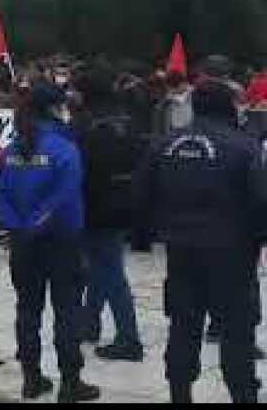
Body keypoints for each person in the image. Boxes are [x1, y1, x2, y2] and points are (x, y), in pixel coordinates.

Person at [134, 80, 267, 404]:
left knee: (183, 325)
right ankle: (242, 393)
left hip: (181, 250)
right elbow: (261, 200)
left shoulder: (165, 143)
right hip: (233, 253)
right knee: (236, 330)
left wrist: (147, 235)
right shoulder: (245, 146)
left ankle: (180, 393)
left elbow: (140, 193)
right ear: (227, 106)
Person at [0, 81, 99, 403]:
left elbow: (1, 195)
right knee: (67, 310)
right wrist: (38, 222)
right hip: (61, 240)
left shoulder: (10, 150)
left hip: (23, 243)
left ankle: (31, 378)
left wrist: (19, 227)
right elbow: (64, 197)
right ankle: (70, 381)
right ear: (55, 108)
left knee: (27, 310)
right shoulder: (64, 148)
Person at [71, 66, 143, 361]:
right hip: (124, 203)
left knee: (110, 272)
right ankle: (90, 323)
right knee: (102, 267)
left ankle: (129, 338)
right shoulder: (127, 118)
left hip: (94, 206)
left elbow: (80, 171)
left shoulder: (86, 125)